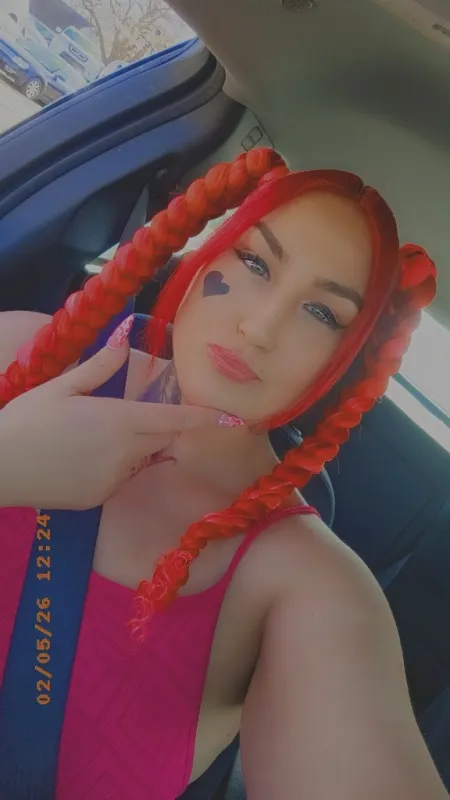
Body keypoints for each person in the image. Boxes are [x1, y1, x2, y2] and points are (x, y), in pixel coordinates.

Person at [0, 147, 446, 800]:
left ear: (342, 361)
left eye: (322, 313)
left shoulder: (304, 584)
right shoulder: (22, 353)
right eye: (255, 262)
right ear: (208, 252)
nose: (259, 328)